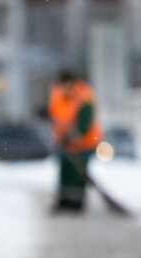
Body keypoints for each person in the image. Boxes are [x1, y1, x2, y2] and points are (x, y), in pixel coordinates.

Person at [48, 70, 103, 211]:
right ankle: (64, 201)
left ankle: (76, 203)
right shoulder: (57, 95)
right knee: (65, 172)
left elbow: (85, 122)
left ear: (73, 83)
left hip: (84, 144)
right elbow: (56, 117)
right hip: (65, 143)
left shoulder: (85, 95)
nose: (65, 88)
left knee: (77, 175)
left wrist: (73, 136)